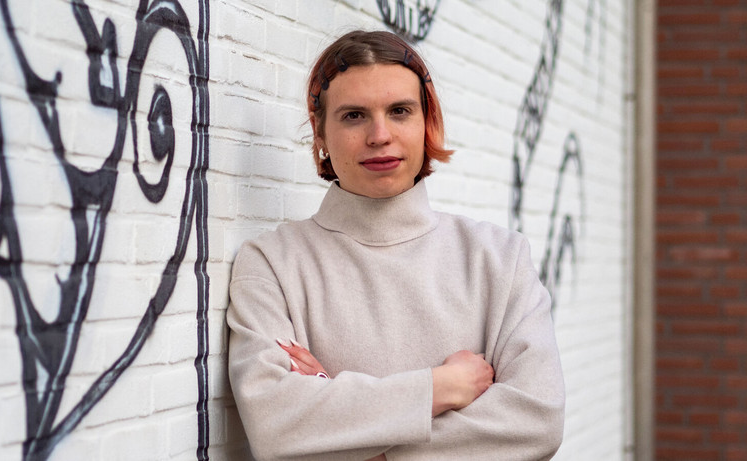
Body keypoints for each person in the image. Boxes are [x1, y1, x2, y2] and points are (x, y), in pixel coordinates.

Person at [226, 30, 565, 460]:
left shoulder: (499, 258)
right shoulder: (273, 264)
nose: (379, 135)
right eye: (353, 116)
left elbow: (537, 420)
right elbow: (275, 424)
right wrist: (440, 388)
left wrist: (362, 442)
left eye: (400, 111)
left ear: (428, 122)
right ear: (320, 132)